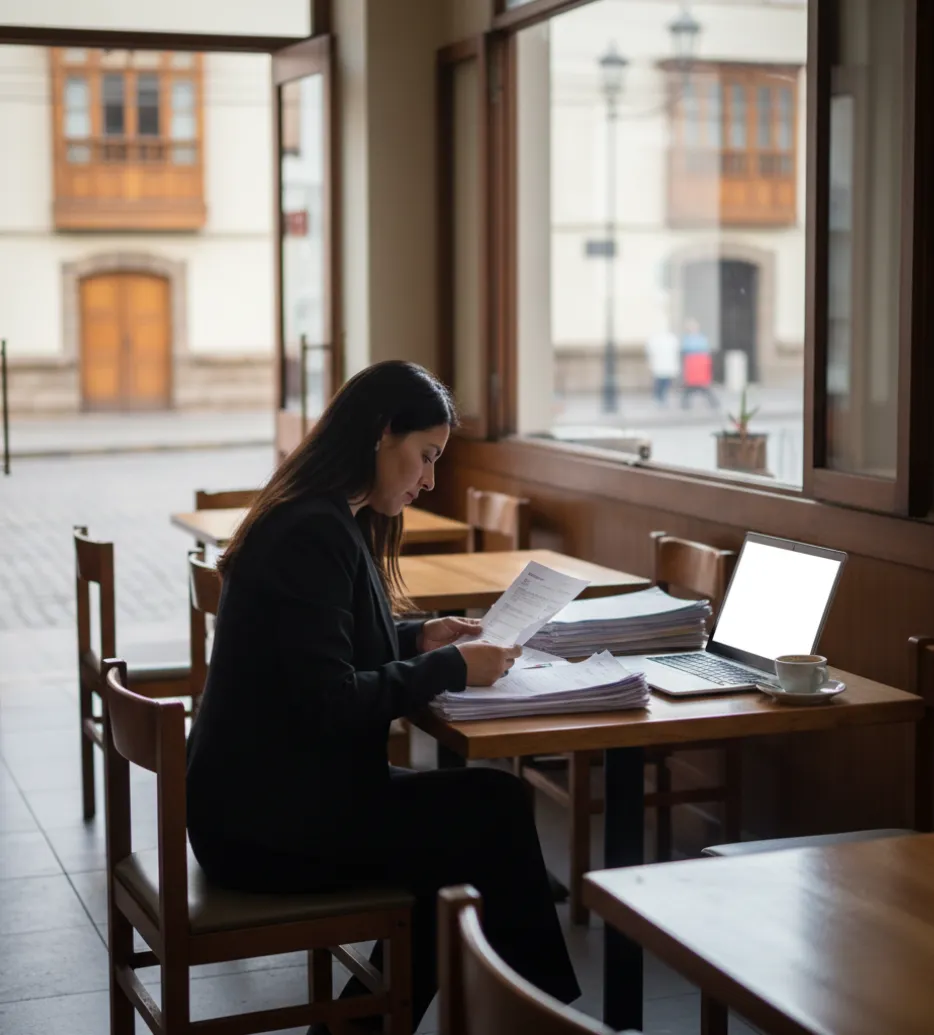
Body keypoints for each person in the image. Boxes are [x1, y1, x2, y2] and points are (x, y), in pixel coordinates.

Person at [186, 360, 580, 1032]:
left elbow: (326, 648)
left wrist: (418, 636)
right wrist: (453, 666)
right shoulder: (314, 532)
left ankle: (483, 1013)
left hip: (264, 796)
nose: (429, 479)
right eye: (424, 456)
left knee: (475, 834)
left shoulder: (324, 517)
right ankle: (542, 1012)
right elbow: (329, 699)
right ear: (379, 433)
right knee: (492, 816)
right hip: (265, 821)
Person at [680, 317, 718, 410]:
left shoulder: (702, 339)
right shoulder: (686, 339)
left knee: (704, 387)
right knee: (689, 388)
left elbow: (706, 353)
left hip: (700, 364)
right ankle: (685, 405)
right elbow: (684, 351)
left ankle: (714, 404)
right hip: (692, 365)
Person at [645, 326, 680, 405]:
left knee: (664, 382)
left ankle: (662, 397)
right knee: (659, 383)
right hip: (660, 365)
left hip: (665, 365)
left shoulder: (671, 339)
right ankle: (659, 397)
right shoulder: (656, 339)